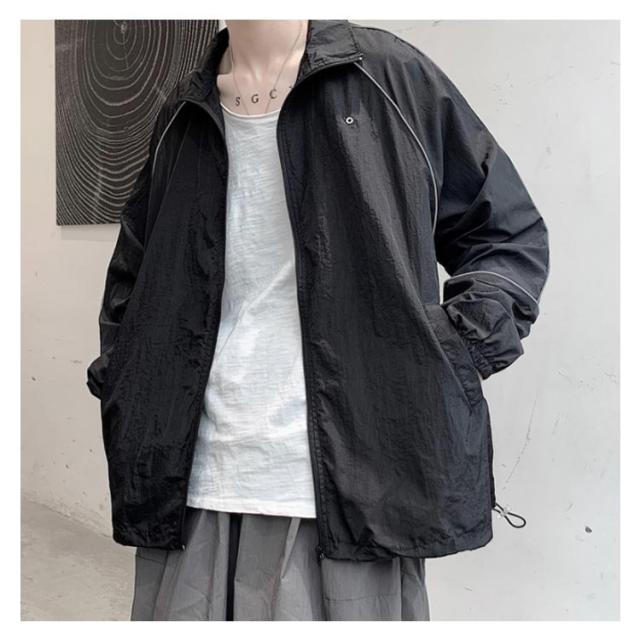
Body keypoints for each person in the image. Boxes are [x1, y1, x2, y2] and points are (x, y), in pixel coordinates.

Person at [87, 19, 549, 621]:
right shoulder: (183, 108)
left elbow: (505, 232)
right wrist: (125, 374)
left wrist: (452, 351)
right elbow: (134, 270)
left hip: (354, 476)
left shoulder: (386, 76)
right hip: (192, 477)